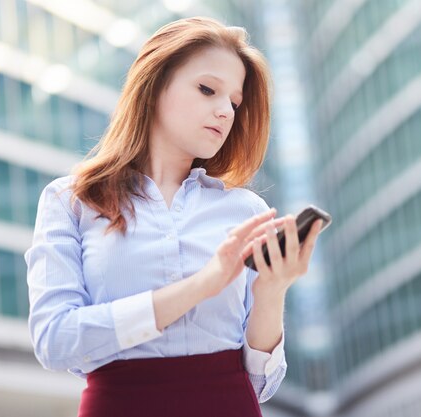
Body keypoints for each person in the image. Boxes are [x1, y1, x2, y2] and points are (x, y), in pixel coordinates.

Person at [24, 16, 323, 417]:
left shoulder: (245, 212)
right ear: (154, 85)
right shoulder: (70, 201)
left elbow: (259, 382)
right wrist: (202, 284)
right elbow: (54, 341)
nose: (225, 112)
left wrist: (271, 290)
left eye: (234, 103)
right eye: (207, 89)